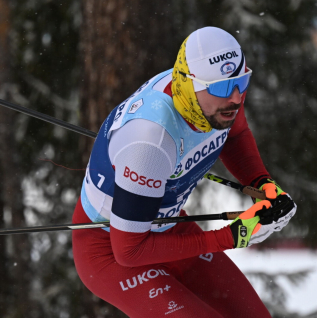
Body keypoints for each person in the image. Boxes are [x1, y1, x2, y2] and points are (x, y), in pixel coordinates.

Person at [72, 27, 297, 317]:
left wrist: (263, 184)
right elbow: (129, 251)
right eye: (222, 87)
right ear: (189, 84)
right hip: (111, 249)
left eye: (242, 81)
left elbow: (236, 135)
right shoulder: (150, 141)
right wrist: (231, 237)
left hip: (168, 228)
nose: (236, 97)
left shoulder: (219, 96)